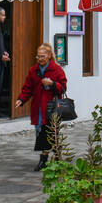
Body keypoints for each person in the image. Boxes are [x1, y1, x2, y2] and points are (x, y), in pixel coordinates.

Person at [15, 43, 67, 171]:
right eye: (38, 57)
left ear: (49, 56)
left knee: (51, 132)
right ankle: (50, 159)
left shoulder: (57, 69)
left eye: (43, 56)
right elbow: (28, 88)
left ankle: (48, 159)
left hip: (52, 108)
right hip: (38, 108)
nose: (40, 59)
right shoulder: (33, 70)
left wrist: (52, 83)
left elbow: (63, 87)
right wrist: (21, 99)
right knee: (41, 132)